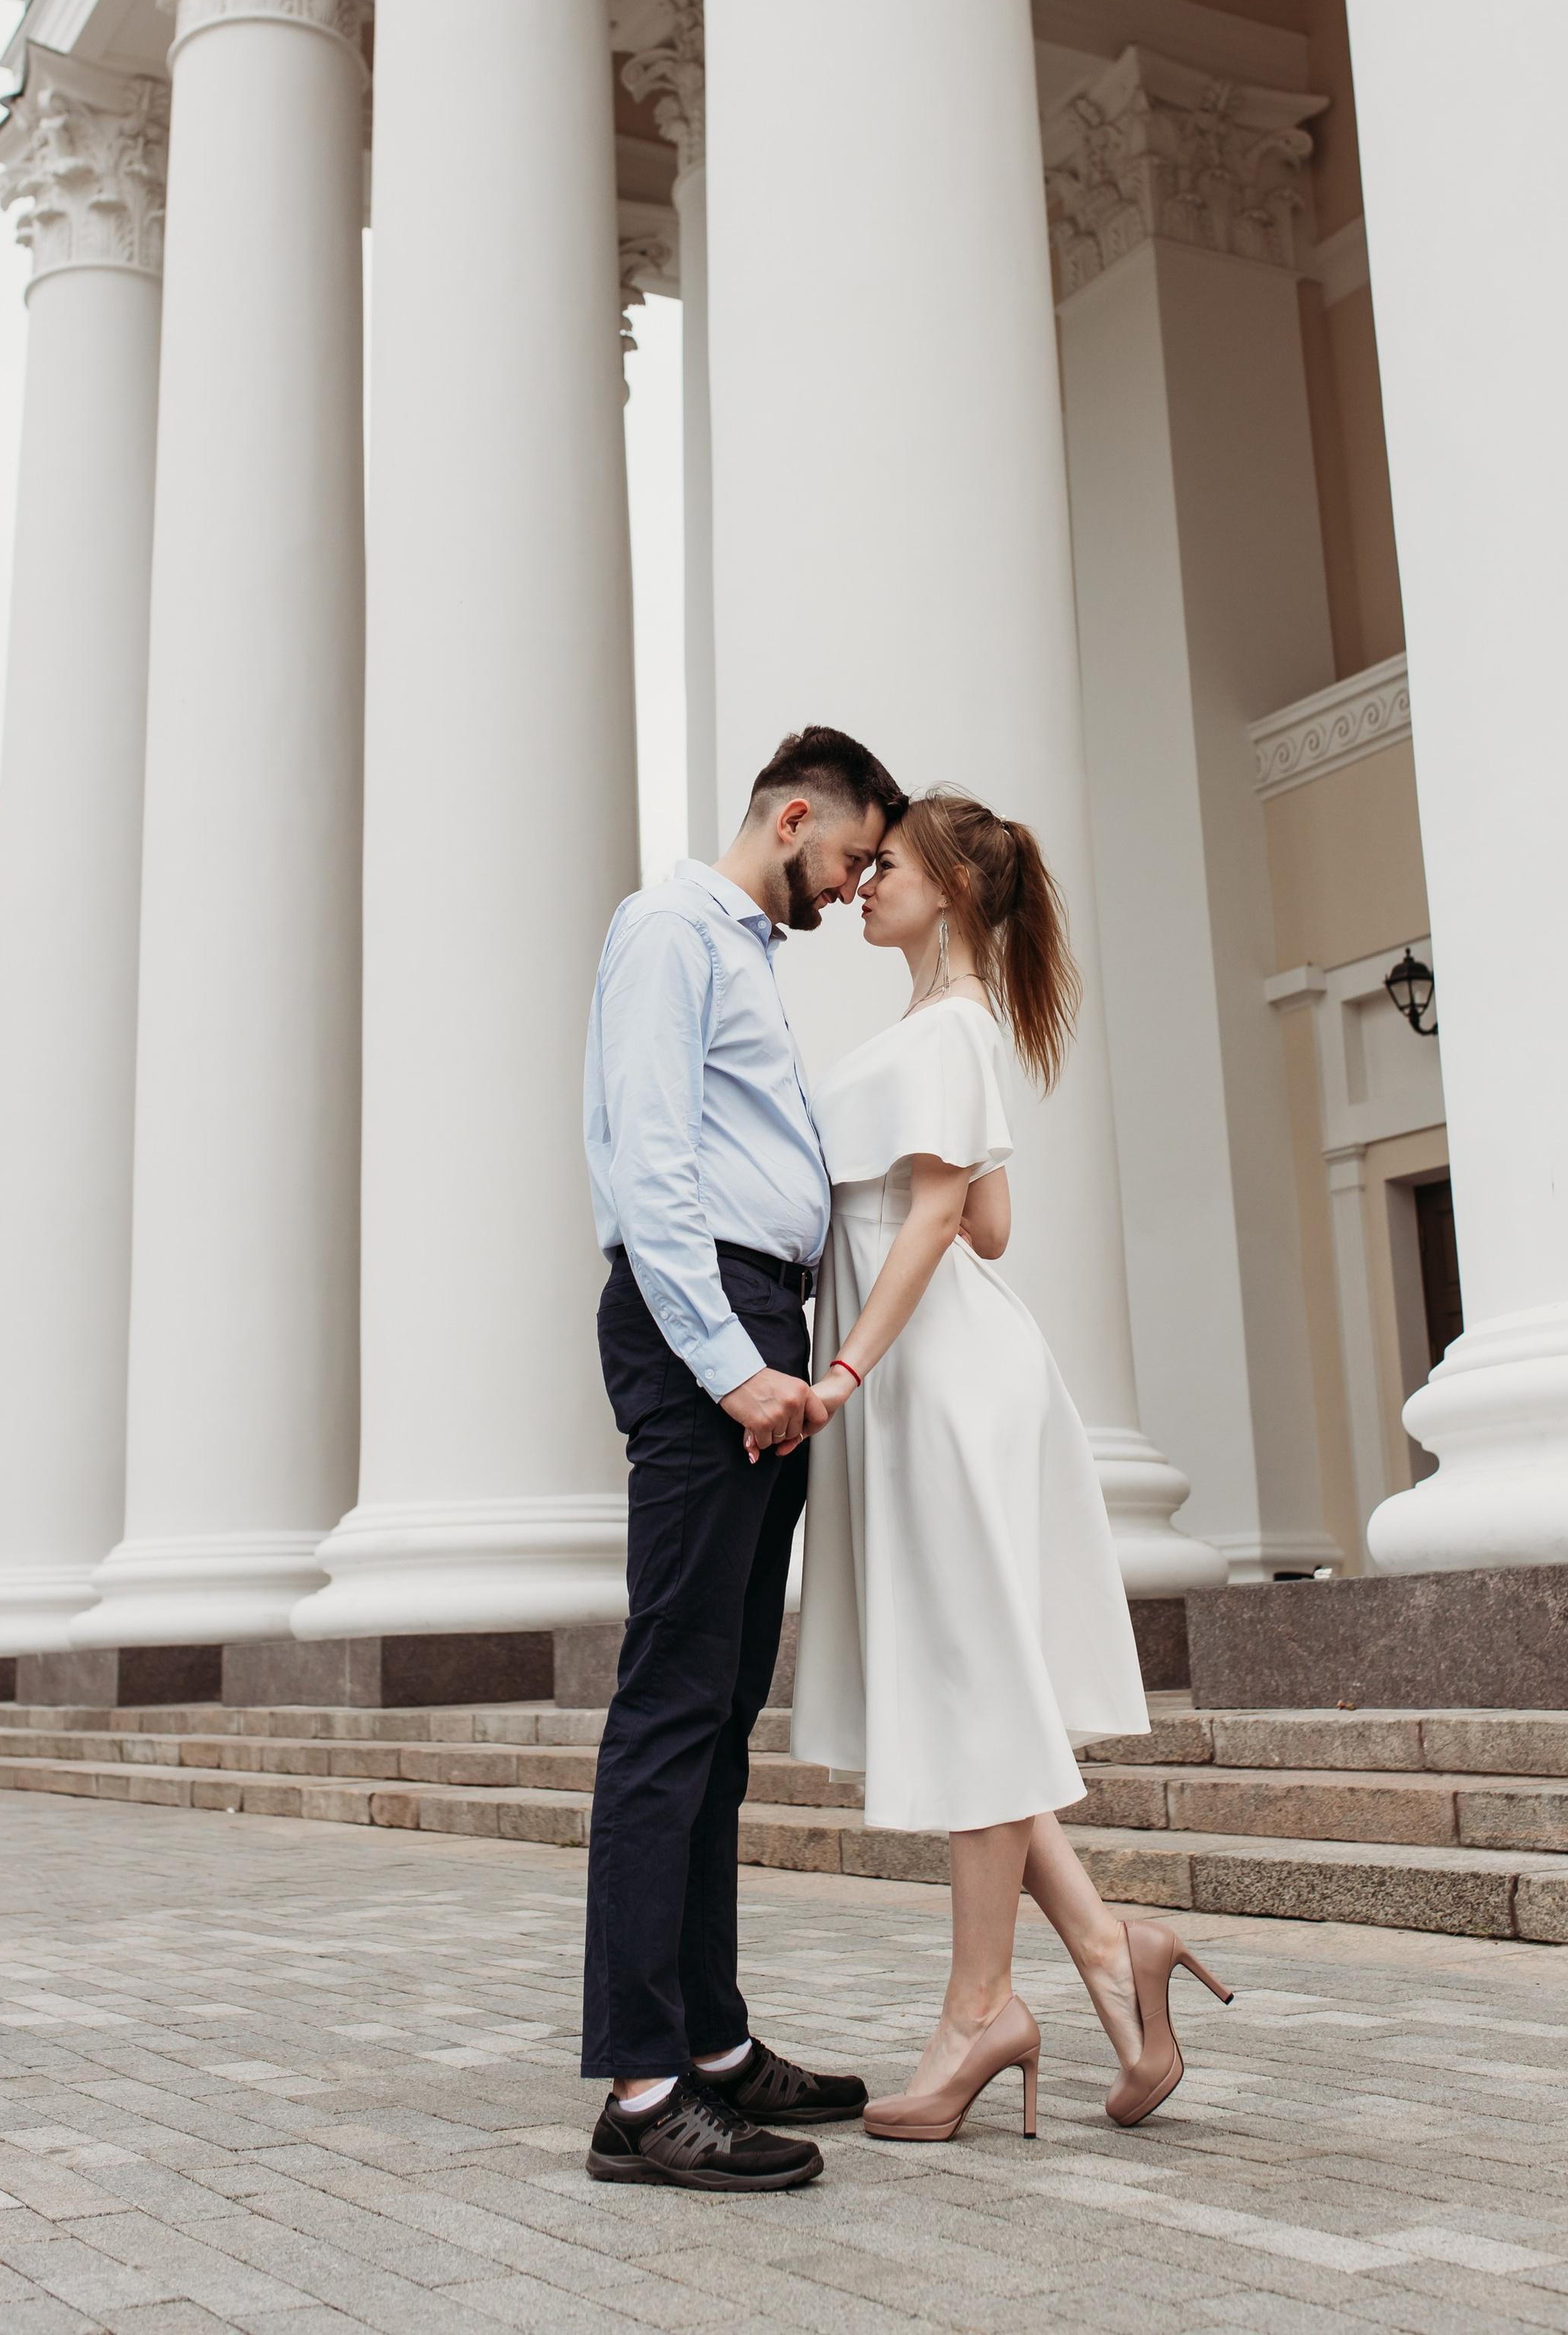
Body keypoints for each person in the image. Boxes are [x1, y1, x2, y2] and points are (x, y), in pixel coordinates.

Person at [792, 790, 1234, 2143]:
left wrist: (846, 1371)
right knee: (972, 1682)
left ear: (955, 894)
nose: (864, 883)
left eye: (890, 868)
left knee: (975, 1685)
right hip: (938, 1373)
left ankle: (979, 2011)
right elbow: (991, 1217)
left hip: (932, 1384)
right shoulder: (944, 1035)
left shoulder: (952, 1032)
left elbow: (941, 1220)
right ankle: (1113, 1956)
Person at [580, 724, 906, 2191]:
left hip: (753, 1316)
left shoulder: (745, 959)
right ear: (791, 821)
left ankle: (711, 2046)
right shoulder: (669, 930)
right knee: (669, 1704)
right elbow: (650, 1162)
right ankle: (645, 2093)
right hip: (703, 1322)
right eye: (847, 860)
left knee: (717, 1710)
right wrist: (732, 1368)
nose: (851, 890)